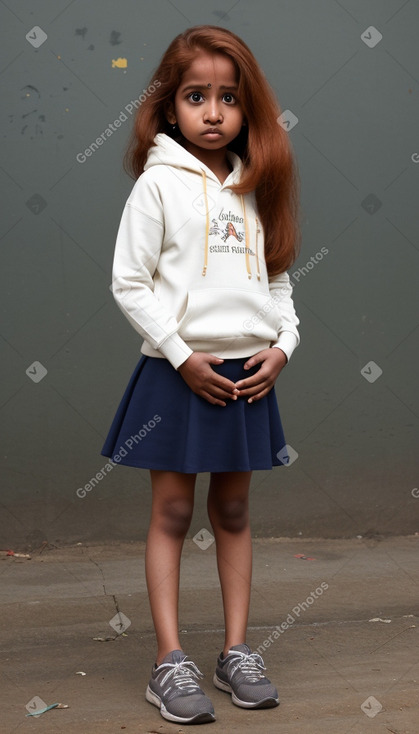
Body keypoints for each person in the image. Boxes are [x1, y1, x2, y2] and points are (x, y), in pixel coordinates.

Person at [101, 24, 301, 725]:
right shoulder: (157, 186)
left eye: (228, 98)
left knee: (236, 512)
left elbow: (278, 287)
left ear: (249, 109)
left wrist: (282, 348)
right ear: (168, 106)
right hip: (179, 373)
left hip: (250, 376)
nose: (212, 112)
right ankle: (169, 660)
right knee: (174, 512)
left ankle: (237, 650)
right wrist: (182, 357)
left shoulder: (256, 185)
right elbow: (129, 284)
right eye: (195, 96)